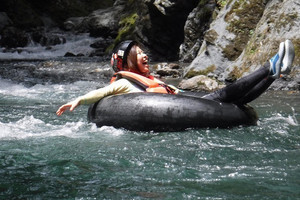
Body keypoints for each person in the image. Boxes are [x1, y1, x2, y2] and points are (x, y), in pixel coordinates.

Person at [56, 39, 295, 116]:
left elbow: (177, 95)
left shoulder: (152, 81)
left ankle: (274, 75)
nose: (145, 55)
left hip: (185, 102)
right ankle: (269, 67)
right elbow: (102, 93)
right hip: (166, 110)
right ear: (126, 63)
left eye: (143, 52)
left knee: (237, 101)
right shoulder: (123, 82)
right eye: (139, 54)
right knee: (225, 95)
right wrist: (79, 100)